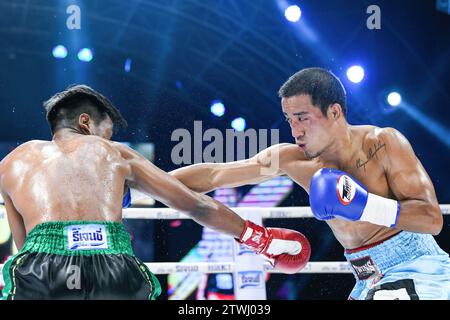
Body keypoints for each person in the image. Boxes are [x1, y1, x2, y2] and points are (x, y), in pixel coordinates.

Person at [0, 84, 310, 300]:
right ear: (85, 122)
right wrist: (260, 239)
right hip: (111, 262)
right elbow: (195, 205)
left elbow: (25, 245)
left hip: (42, 268)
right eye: (106, 134)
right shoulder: (114, 154)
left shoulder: (11, 164)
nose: (106, 141)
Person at [171, 67, 450, 300]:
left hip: (417, 266)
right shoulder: (291, 160)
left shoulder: (383, 143)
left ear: (335, 112)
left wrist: (364, 206)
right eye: (289, 120)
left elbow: (432, 219)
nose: (295, 131)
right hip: (366, 278)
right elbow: (213, 175)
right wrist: (139, 182)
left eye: (303, 118)